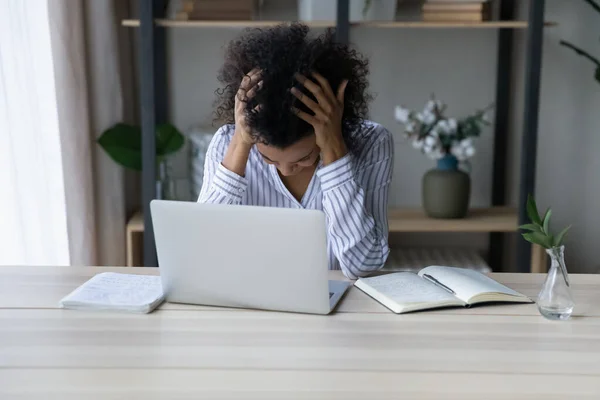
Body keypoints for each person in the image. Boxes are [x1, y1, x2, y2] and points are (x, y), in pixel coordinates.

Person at [198, 23, 394, 279]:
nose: (286, 169)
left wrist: (335, 154)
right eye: (268, 158)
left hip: (339, 312)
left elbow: (364, 265)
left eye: (304, 158)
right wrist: (240, 144)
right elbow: (201, 256)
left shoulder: (372, 143)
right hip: (249, 310)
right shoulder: (228, 144)